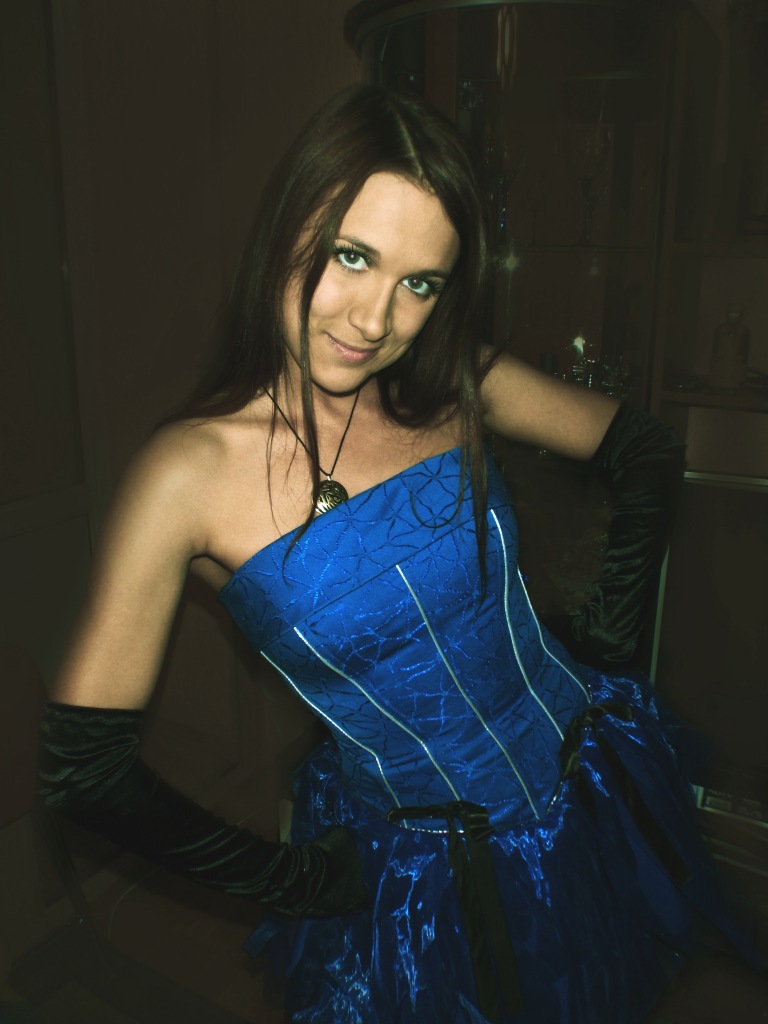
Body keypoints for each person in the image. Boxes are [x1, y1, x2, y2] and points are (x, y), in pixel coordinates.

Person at [38, 85, 757, 1023]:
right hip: (429, 879)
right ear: (283, 233)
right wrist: (292, 880)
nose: (375, 320)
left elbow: (644, 448)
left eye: (420, 283)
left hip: (593, 785)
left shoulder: (457, 381)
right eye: (352, 256)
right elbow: (84, 769)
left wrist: (610, 632)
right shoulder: (184, 477)